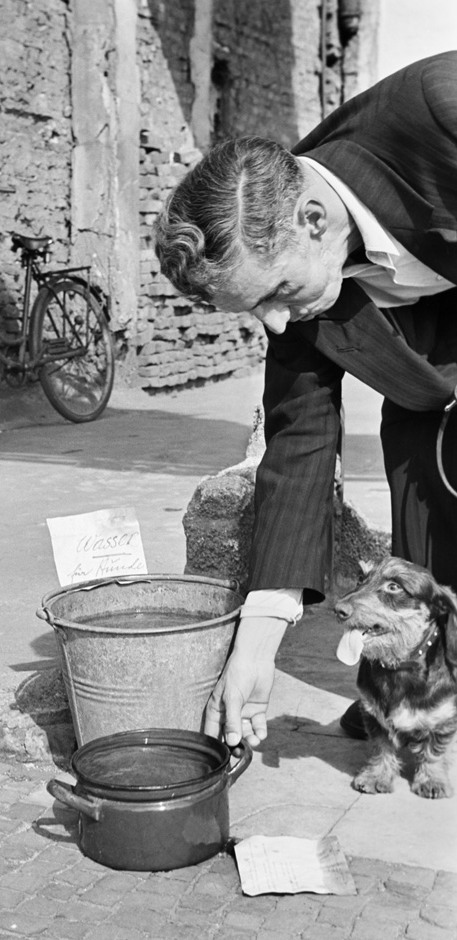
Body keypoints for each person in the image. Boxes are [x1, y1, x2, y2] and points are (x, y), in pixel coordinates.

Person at [153, 52, 457, 748]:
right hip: (423, 380)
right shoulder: (291, 261)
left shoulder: (443, 113)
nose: (277, 326)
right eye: (253, 308)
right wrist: (254, 650)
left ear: (314, 219)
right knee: (423, 535)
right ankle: (416, 691)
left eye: (277, 294)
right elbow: (298, 449)